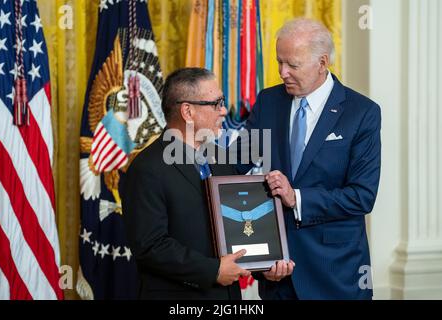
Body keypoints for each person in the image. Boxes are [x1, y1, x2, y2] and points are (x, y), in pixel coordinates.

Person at [121, 67, 293, 300]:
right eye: (216, 103)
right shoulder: (146, 169)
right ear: (188, 111)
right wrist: (212, 271)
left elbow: (238, 228)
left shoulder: (221, 160)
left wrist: (266, 268)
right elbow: (150, 246)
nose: (223, 111)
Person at [240, 18, 381, 300]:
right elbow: (238, 162)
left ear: (322, 62)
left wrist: (298, 198)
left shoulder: (362, 112)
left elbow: (362, 196)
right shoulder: (268, 101)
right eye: (279, 62)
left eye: (292, 64)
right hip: (278, 274)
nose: (282, 72)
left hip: (335, 273)